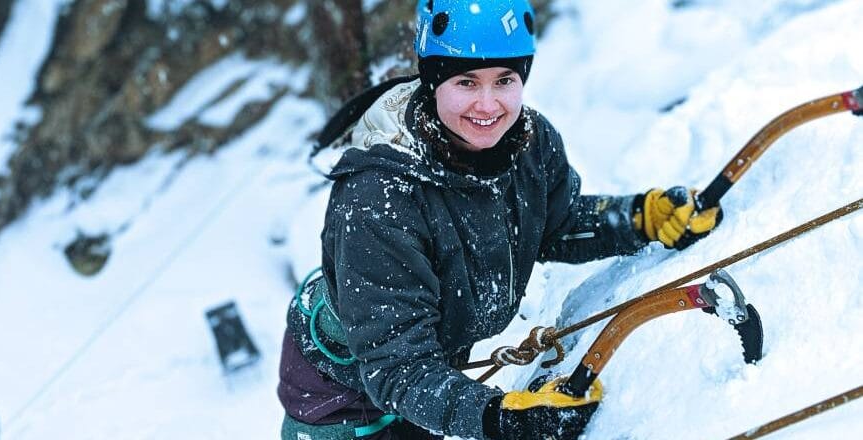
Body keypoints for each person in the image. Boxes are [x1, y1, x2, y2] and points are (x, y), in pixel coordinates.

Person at [278, 1, 722, 439]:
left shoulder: (530, 143)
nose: (488, 105)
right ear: (433, 82)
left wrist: (640, 218)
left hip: (427, 371)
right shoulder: (378, 199)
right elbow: (398, 367)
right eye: (466, 81)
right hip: (339, 399)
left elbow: (556, 226)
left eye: (504, 80)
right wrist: (500, 417)